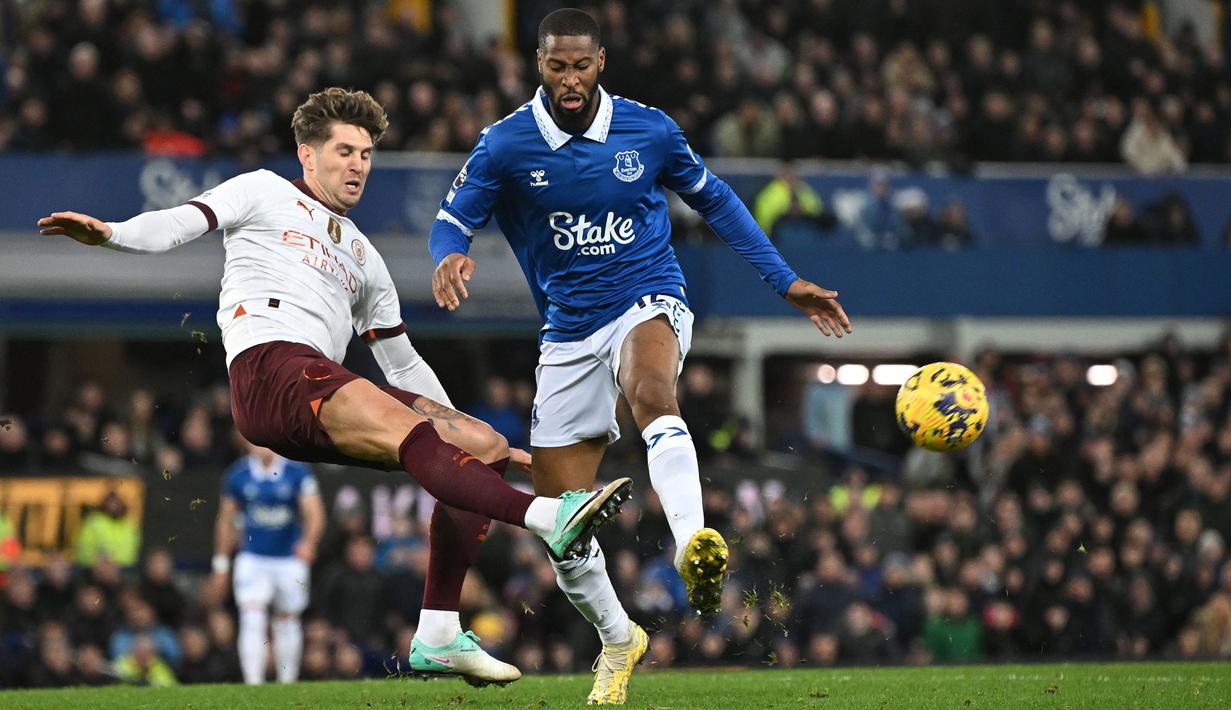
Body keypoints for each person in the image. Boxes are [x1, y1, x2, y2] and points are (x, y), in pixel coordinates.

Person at [37, 87, 633, 687]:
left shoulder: (367, 259)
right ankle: (545, 517)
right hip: (269, 368)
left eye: (367, 154)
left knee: (478, 441)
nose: (358, 165)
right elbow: (178, 223)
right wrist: (110, 233)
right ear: (307, 154)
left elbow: (402, 367)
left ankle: (438, 631)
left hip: (319, 389)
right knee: (426, 435)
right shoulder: (264, 190)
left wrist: (476, 452)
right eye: (344, 151)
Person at [429, 9, 850, 704]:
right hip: (567, 331)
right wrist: (451, 255)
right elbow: (453, 217)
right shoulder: (504, 144)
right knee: (561, 522)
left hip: (647, 297)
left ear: (601, 61)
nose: (569, 79)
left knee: (651, 389)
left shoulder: (648, 129)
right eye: (556, 66)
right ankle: (619, 636)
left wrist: (785, 280)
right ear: (538, 63)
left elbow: (713, 200)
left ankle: (693, 544)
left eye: (581, 65)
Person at [211, 441, 325, 684]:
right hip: (252, 556)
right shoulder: (237, 474)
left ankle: (288, 681)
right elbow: (225, 520)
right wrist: (221, 563)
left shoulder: (297, 472)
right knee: (252, 616)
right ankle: (253, 682)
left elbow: (314, 512)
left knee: (288, 618)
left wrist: (309, 543)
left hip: (289, 559)